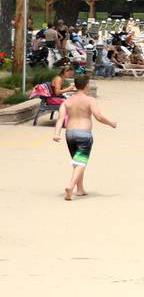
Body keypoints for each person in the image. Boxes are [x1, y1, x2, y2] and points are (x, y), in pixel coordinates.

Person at [53, 73, 116, 201]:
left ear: (75, 85)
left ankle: (80, 189)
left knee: (77, 161)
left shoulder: (67, 101)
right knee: (81, 161)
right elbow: (98, 117)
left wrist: (56, 134)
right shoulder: (90, 100)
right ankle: (70, 186)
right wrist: (111, 124)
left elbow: (60, 119)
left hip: (70, 133)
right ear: (87, 86)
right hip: (84, 134)